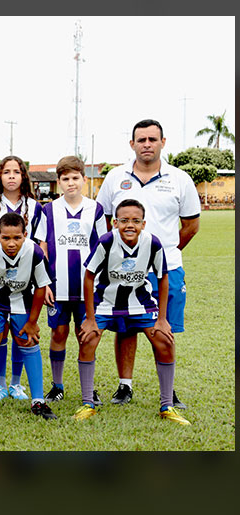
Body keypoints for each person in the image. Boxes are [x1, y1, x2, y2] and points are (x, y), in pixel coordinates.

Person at [96, 119, 200, 408]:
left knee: (162, 330)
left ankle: (169, 391)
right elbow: (105, 220)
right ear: (132, 144)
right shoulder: (116, 177)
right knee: (126, 327)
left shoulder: (180, 179)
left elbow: (191, 225)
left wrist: (162, 253)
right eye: (141, 140)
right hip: (122, 271)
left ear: (163, 142)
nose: (146, 145)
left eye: (152, 139)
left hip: (165, 269)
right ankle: (124, 386)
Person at [74, 199, 190, 425]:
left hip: (140, 303)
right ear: (114, 222)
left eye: (136, 221)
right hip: (105, 303)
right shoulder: (106, 241)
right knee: (88, 339)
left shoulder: (152, 243)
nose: (130, 225)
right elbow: (88, 276)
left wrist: (163, 319)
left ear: (144, 224)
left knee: (165, 341)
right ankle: (87, 403)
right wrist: (89, 319)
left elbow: (163, 277)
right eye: (124, 220)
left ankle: (167, 406)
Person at [34, 156, 107, 403]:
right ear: (58, 182)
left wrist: (101, 283)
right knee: (59, 333)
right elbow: (42, 247)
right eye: (65, 179)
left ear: (84, 180)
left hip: (89, 287)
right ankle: (57, 386)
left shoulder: (95, 209)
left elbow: (103, 247)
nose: (71, 183)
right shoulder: (48, 210)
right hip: (57, 286)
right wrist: (43, 284)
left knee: (85, 334)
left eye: (75, 178)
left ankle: (89, 388)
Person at [0, 212, 57, 420]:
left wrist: (32, 322)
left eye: (17, 238)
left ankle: (38, 400)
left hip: (22, 298)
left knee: (27, 340)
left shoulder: (35, 252)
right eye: (6, 238)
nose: (11, 243)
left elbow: (40, 288)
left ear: (25, 235)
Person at [0, 155, 43, 403]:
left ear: (23, 176)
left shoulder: (36, 207)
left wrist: (43, 280)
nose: (11, 176)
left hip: (25, 282)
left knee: (22, 332)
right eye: (6, 172)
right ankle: (0, 385)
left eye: (17, 171)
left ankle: (17, 383)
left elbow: (41, 245)